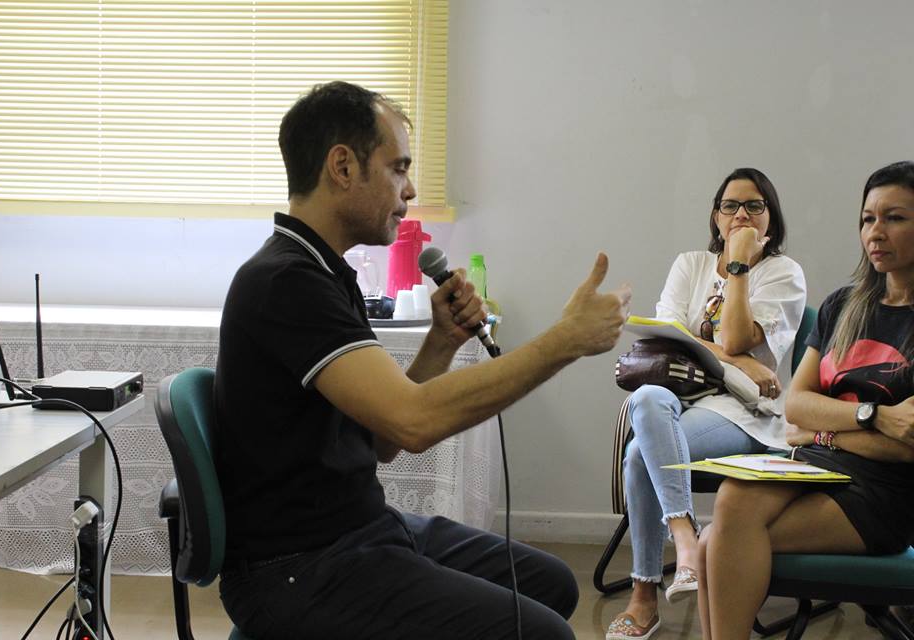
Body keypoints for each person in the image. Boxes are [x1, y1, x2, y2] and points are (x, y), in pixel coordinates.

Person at [213, 81, 632, 640]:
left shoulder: (324, 272)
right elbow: (413, 422)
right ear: (343, 166)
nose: (409, 189)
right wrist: (565, 340)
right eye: (398, 168)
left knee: (550, 583)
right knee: (544, 633)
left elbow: (382, 440)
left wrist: (442, 342)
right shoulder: (286, 281)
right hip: (298, 569)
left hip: (358, 531)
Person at [697, 161, 914, 639]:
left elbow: (905, 447)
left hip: (882, 494)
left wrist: (822, 430)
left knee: (716, 542)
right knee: (727, 507)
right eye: (868, 219)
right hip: (813, 465)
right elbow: (796, 406)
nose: (876, 232)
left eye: (895, 218)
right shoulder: (844, 305)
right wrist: (872, 417)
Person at [607, 168, 806, 640]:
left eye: (754, 206)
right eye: (730, 206)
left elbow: (734, 335)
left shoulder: (783, 273)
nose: (741, 215)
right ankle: (686, 540)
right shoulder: (690, 264)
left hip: (744, 411)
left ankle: (644, 594)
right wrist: (739, 361)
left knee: (639, 454)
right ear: (716, 216)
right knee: (647, 397)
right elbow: (669, 337)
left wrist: (738, 265)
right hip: (678, 397)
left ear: (771, 218)